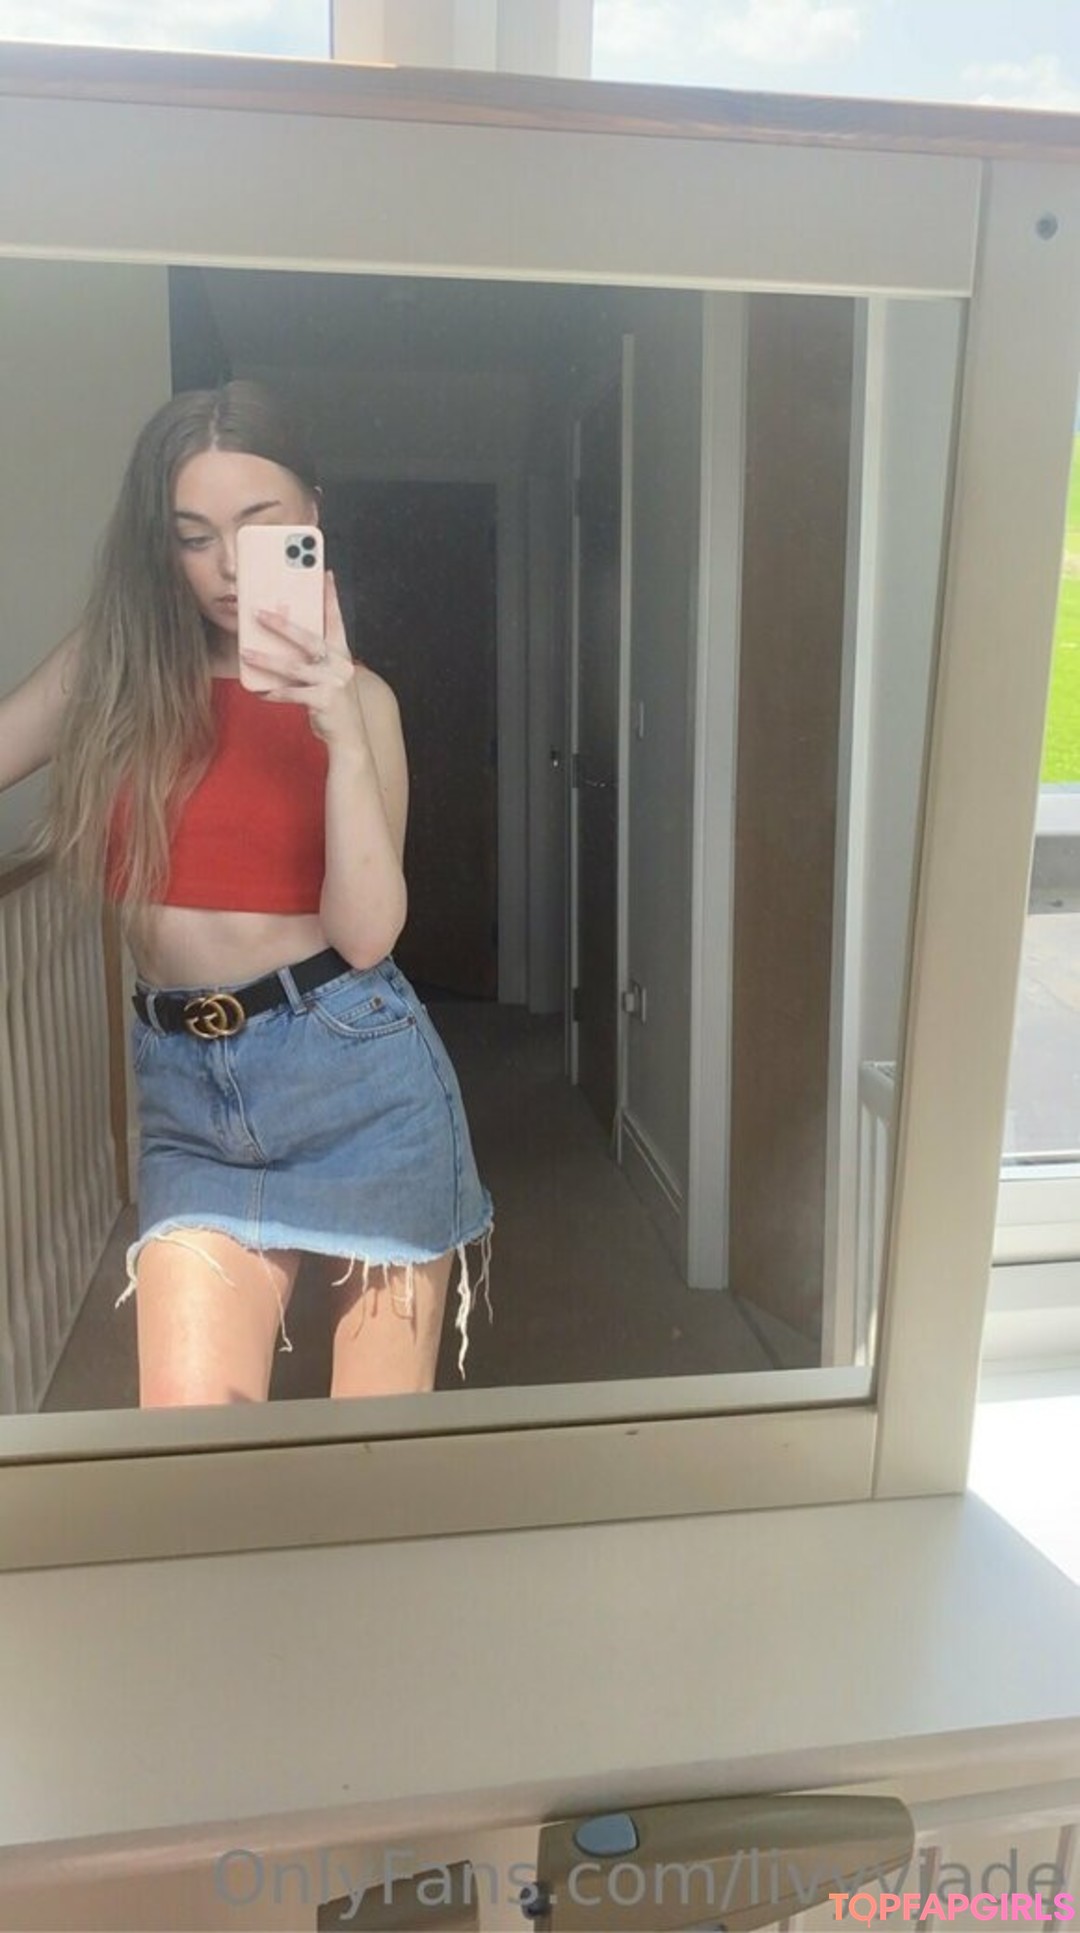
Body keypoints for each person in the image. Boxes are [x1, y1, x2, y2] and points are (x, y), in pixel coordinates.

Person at [0, 380, 493, 1408]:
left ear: (311, 517)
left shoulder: (365, 702)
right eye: (194, 536)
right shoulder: (113, 670)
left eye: (259, 526)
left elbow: (368, 936)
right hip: (187, 1099)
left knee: (373, 1460)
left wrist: (338, 734)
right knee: (192, 1458)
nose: (227, 566)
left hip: (360, 1081)